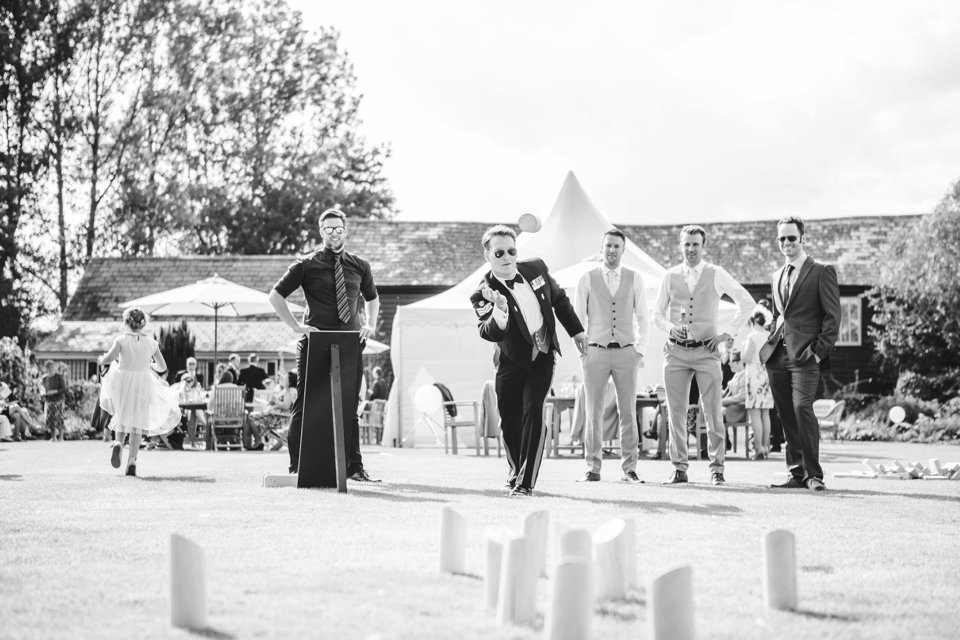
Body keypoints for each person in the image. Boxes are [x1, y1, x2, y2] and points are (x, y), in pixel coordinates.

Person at [470, 224, 588, 497]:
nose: (507, 257)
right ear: (488, 255)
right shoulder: (482, 292)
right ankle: (514, 471)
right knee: (509, 419)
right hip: (511, 361)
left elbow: (559, 300)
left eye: (511, 251)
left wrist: (577, 331)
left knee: (533, 411)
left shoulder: (536, 268)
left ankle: (525, 482)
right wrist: (500, 310)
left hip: (543, 354)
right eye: (499, 253)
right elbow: (488, 332)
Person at [269, 208, 381, 481]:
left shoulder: (360, 265)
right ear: (321, 231)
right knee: (305, 404)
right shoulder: (306, 264)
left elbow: (373, 299)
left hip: (350, 342)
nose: (334, 233)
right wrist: (297, 326)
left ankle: (354, 468)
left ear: (345, 231)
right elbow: (275, 296)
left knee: (350, 406)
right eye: (328, 228)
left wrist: (370, 325)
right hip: (315, 341)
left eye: (338, 228)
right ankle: (298, 467)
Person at [653, 224, 754, 486]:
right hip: (675, 353)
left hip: (707, 352)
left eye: (695, 244)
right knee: (676, 412)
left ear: (703, 246)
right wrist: (671, 328)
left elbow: (746, 302)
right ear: (681, 246)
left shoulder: (715, 273)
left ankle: (717, 469)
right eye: (686, 244)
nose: (690, 249)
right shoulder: (669, 276)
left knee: (712, 411)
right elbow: (656, 315)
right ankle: (679, 469)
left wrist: (726, 335)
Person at [762, 216, 841, 492]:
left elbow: (833, 318)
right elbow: (781, 315)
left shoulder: (821, 271)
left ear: (803, 239)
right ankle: (796, 472)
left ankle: (814, 475)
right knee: (785, 413)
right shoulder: (775, 276)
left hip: (806, 357)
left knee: (801, 408)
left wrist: (818, 353)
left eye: (791, 238)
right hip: (777, 357)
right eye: (782, 238)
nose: (786, 243)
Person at [573, 229, 650, 484]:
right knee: (593, 411)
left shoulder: (634, 278)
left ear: (623, 250)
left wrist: (640, 349)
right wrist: (582, 352)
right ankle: (593, 468)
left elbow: (643, 317)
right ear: (601, 247)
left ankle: (630, 468)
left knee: (627, 411)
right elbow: (577, 319)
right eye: (608, 246)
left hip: (626, 352)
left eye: (616, 246)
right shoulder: (587, 278)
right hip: (595, 351)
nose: (612, 250)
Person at [98, 307, 181, 476]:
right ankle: (132, 460)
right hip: (143, 382)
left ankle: (118, 443)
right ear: (144, 324)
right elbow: (163, 367)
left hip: (122, 380)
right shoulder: (151, 343)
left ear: (126, 322)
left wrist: (101, 359)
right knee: (137, 423)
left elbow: (108, 358)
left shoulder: (121, 340)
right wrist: (148, 365)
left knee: (121, 415)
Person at [740, 305, 775, 459]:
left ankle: (759, 447)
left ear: (753, 321)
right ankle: (766, 446)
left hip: (754, 375)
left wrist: (741, 353)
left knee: (755, 412)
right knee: (765, 413)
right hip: (766, 374)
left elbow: (746, 357)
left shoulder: (752, 337)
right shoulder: (769, 336)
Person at [41, 361, 67, 441]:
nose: (50, 369)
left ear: (54, 367)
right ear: (46, 369)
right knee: (50, 419)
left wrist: (55, 391)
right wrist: (43, 393)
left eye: (51, 367)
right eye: (48, 368)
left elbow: (64, 389)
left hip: (58, 400)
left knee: (59, 418)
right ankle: (54, 437)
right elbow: (42, 389)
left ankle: (61, 437)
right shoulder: (44, 378)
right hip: (49, 400)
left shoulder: (59, 376)